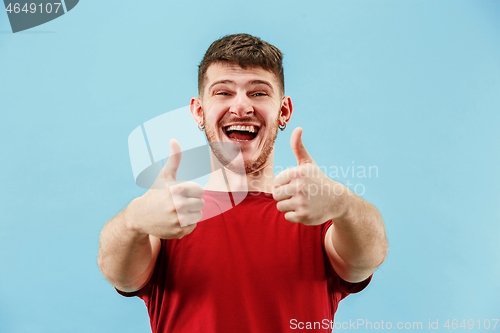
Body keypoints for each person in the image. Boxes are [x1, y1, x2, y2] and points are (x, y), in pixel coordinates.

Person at [98, 33, 388, 333]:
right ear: (199, 111)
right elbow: (120, 275)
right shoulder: (168, 217)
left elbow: (367, 259)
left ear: (283, 111)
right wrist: (134, 219)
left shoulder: (316, 213)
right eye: (223, 92)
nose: (241, 107)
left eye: (258, 93)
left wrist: (342, 203)